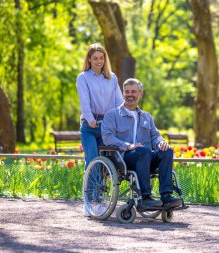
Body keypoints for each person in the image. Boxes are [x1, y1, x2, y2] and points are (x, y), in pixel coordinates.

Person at [101, 78, 182, 208]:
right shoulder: (112, 115)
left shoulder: (146, 116)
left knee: (166, 151)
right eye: (127, 92)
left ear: (140, 94)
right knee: (143, 150)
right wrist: (128, 146)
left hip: (146, 159)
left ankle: (166, 197)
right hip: (124, 159)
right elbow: (107, 137)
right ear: (123, 93)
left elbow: (155, 136)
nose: (129, 95)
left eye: (133, 91)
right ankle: (145, 197)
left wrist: (161, 142)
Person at [76, 43, 124, 216]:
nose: (98, 61)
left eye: (101, 58)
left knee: (105, 165)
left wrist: (122, 120)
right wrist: (90, 119)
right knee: (92, 161)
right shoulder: (83, 77)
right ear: (89, 59)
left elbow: (119, 102)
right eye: (95, 58)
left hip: (107, 126)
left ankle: (97, 198)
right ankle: (91, 201)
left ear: (105, 60)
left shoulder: (112, 78)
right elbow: (84, 101)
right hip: (90, 126)